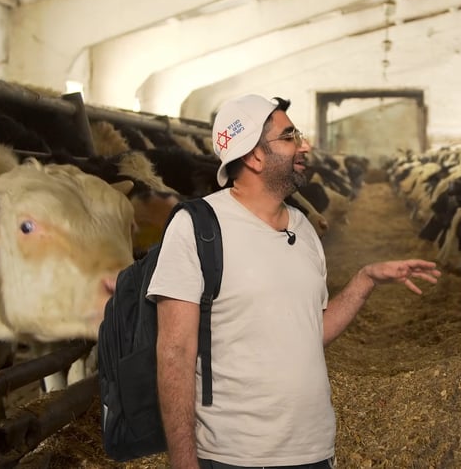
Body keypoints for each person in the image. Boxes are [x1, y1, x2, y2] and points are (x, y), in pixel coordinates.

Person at [147, 94, 441, 469]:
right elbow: (175, 353)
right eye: (289, 137)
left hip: (313, 450)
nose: (304, 146)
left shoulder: (302, 228)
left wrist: (365, 280)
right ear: (253, 156)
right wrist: (184, 463)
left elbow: (310, 331)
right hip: (234, 456)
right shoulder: (197, 227)